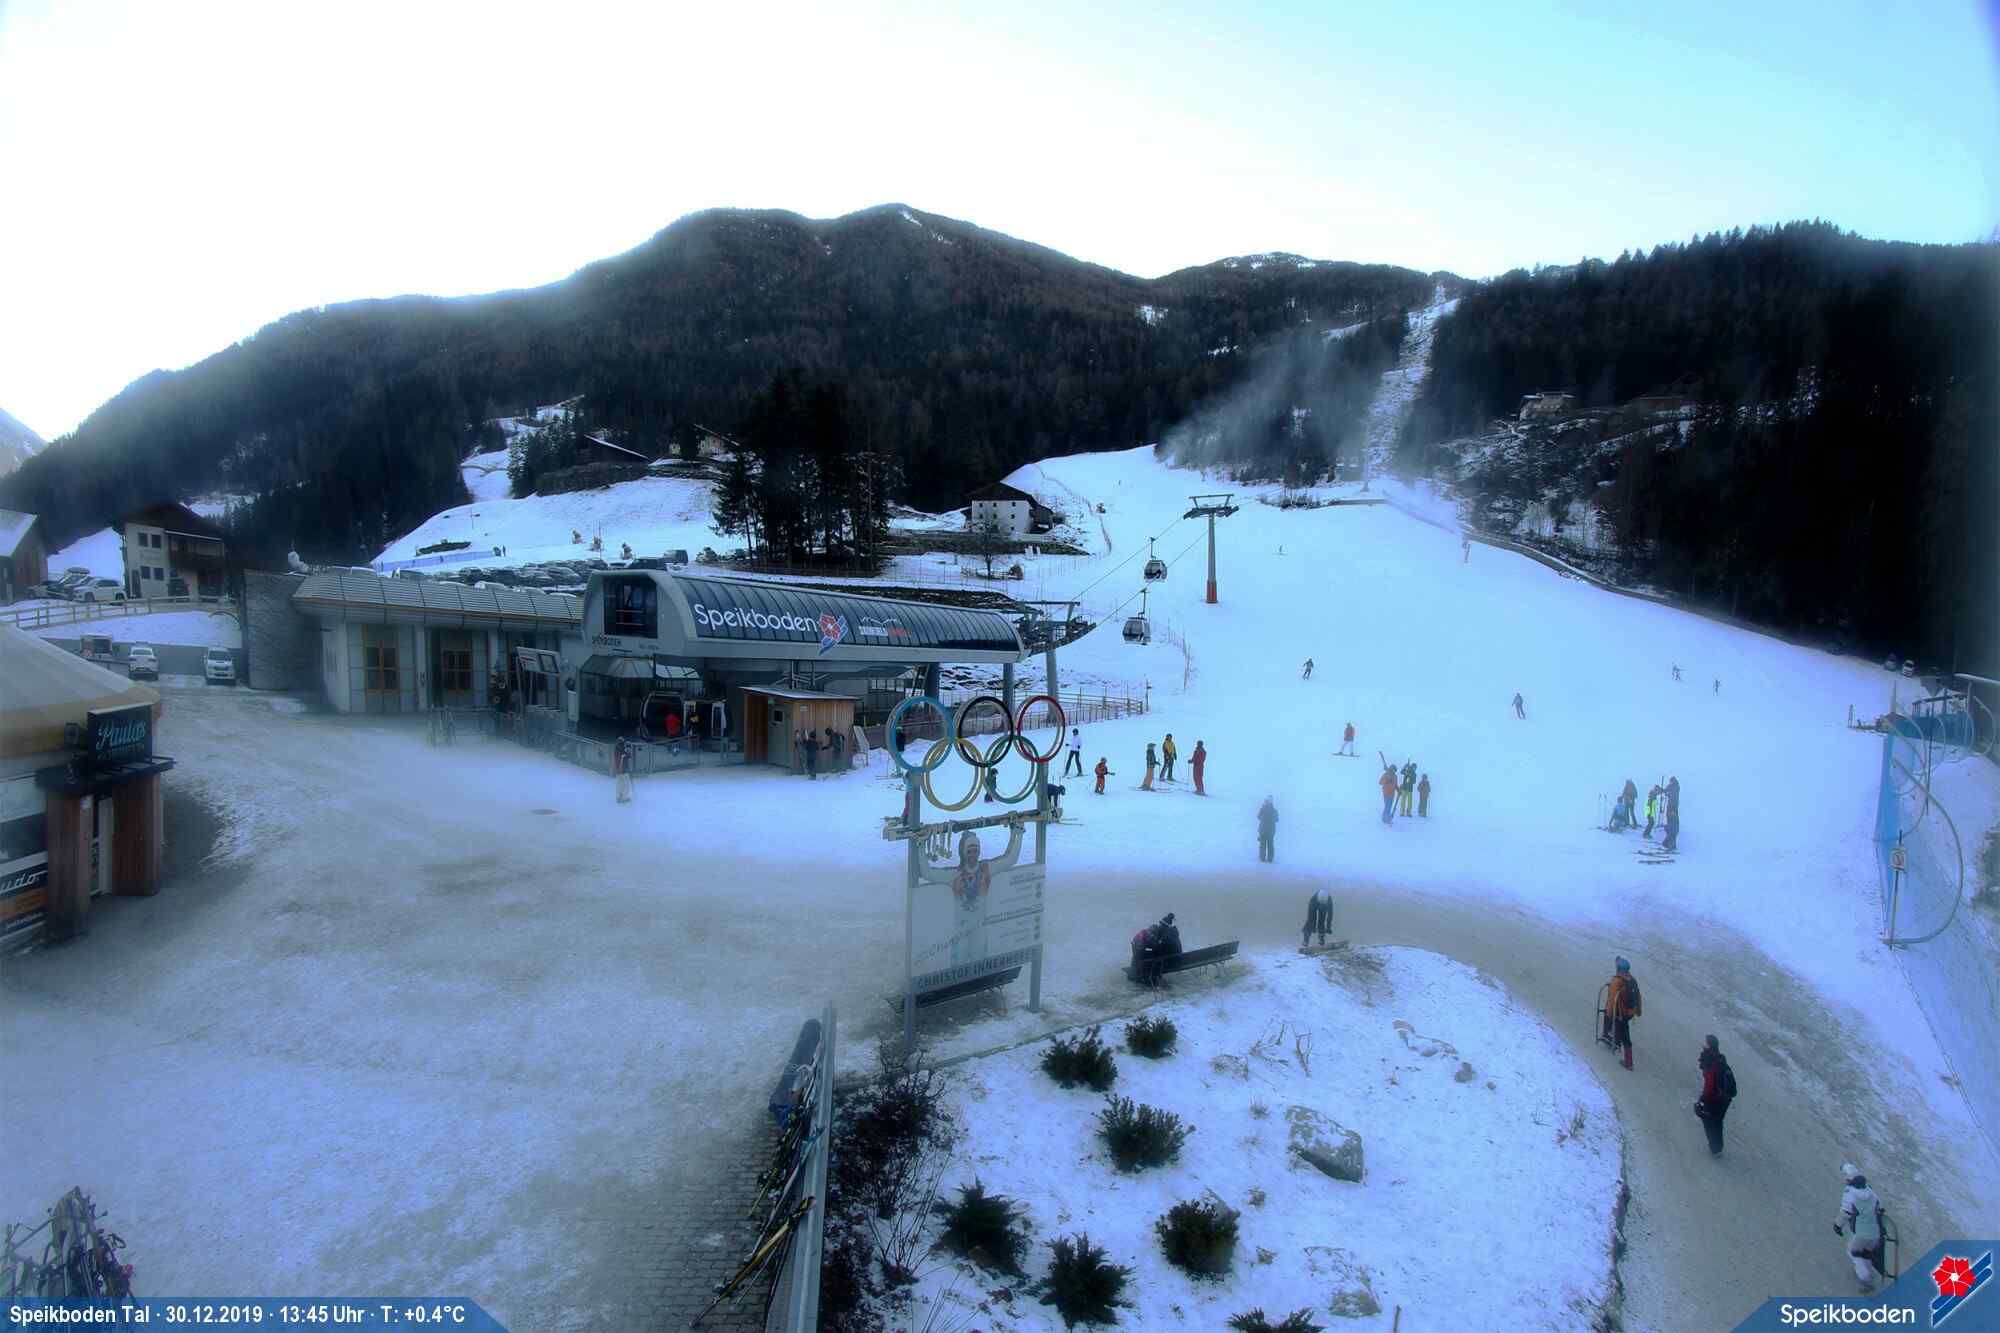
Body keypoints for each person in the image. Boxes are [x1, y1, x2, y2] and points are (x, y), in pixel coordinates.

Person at [1835, 1164, 1888, 1293]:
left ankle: (1865, 1279)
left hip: (1861, 1231)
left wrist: (1837, 1225)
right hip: (1875, 1232)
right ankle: (1868, 1272)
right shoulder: (1870, 1192)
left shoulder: (1850, 1193)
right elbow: (1880, 1208)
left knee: (1853, 1252)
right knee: (1866, 1253)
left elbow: (1846, 1212)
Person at [1693, 1035, 1736, 1155]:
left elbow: (1710, 1084)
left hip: (1716, 1098)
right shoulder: (1720, 1059)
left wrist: (1703, 1099)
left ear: (1710, 1046)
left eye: (1706, 1044)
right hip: (1726, 1098)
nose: (1703, 1045)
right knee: (1717, 1121)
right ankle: (1717, 1148)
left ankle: (1715, 1148)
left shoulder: (1711, 1062)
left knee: (1708, 1119)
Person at [1604, 957, 1641, 1069]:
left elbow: (1612, 999)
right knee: (1622, 1029)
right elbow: (1638, 996)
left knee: (1624, 1035)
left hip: (1620, 1013)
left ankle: (1628, 1062)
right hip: (1629, 1013)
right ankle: (1616, 1041)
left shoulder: (1617, 980)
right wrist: (1638, 1011)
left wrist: (1609, 1014)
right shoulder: (1632, 980)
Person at [1130, 912, 1183, 986]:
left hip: (1170, 961)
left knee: (1143, 955)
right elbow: (1162, 948)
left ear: (1164, 926)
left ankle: (1141, 976)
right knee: (1145, 954)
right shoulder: (1172, 932)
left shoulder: (1166, 936)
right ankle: (1139, 973)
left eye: (1161, 925)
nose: (1159, 926)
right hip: (1175, 958)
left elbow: (1159, 948)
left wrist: (1148, 946)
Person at [1662, 776, 1681, 852]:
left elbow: (1665, 790)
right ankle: (1672, 844)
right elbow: (1672, 795)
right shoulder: (1677, 787)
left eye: (1670, 781)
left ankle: (1669, 844)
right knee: (1674, 826)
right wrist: (1668, 794)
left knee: (1671, 827)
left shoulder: (1672, 786)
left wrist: (1664, 792)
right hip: (1675, 808)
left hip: (1671, 808)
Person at [612, 737, 634, 804]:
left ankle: (619, 796)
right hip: (623, 770)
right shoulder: (622, 750)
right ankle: (624, 797)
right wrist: (628, 750)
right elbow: (629, 756)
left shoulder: (616, 749)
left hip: (618, 770)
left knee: (620, 783)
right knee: (626, 784)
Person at [1257, 797, 1278, 862]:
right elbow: (1276, 819)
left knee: (1263, 845)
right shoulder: (1274, 810)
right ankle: (1269, 859)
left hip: (1263, 830)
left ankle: (1262, 858)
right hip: (1270, 830)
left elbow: (1258, 817)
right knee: (1270, 845)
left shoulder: (1263, 809)